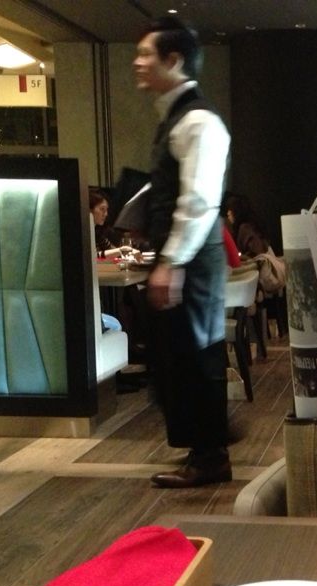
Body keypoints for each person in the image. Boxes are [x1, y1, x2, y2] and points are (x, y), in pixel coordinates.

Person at [133, 16, 232, 488]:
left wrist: (170, 262)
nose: (137, 62)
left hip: (192, 256)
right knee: (180, 354)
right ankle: (203, 450)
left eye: (145, 54)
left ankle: (210, 457)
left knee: (196, 354)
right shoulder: (177, 117)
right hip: (186, 255)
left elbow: (198, 202)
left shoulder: (197, 120)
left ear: (173, 60)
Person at [224, 193, 271, 259]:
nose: (228, 213)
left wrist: (241, 258)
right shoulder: (251, 225)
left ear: (237, 211)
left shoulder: (245, 228)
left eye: (230, 209)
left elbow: (259, 252)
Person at [89, 189, 122, 253]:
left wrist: (122, 250)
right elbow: (93, 255)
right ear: (89, 209)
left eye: (106, 209)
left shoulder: (97, 232)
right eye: (102, 209)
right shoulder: (84, 233)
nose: (106, 214)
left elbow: (111, 249)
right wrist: (120, 250)